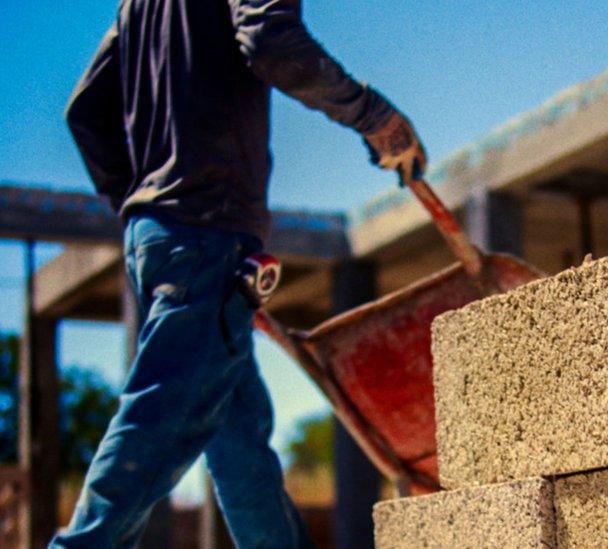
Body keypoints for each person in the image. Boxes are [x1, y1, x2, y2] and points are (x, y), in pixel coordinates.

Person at [53, 0, 425, 546]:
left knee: (239, 444)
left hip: (161, 237)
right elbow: (270, 41)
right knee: (159, 417)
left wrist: (139, 204)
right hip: (206, 228)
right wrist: (373, 116)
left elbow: (84, 110)